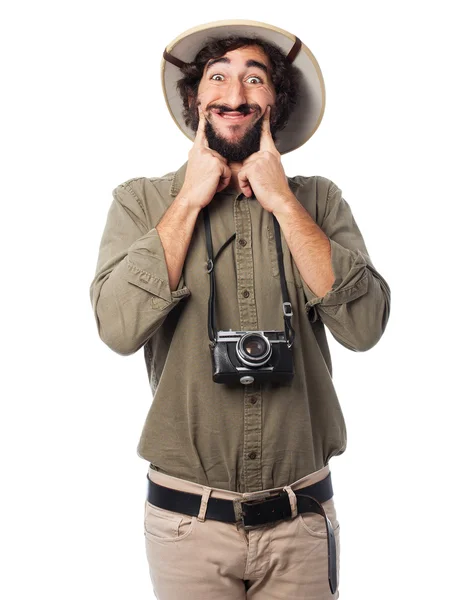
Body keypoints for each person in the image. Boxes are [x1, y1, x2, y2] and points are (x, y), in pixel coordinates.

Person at [89, 19, 391, 600]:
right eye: (218, 77)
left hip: (301, 520)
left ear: (275, 101)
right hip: (186, 526)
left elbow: (365, 327)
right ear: (196, 98)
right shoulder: (141, 201)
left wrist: (280, 200)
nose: (235, 93)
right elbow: (118, 327)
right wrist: (190, 200)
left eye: (255, 79)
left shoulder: (319, 200)